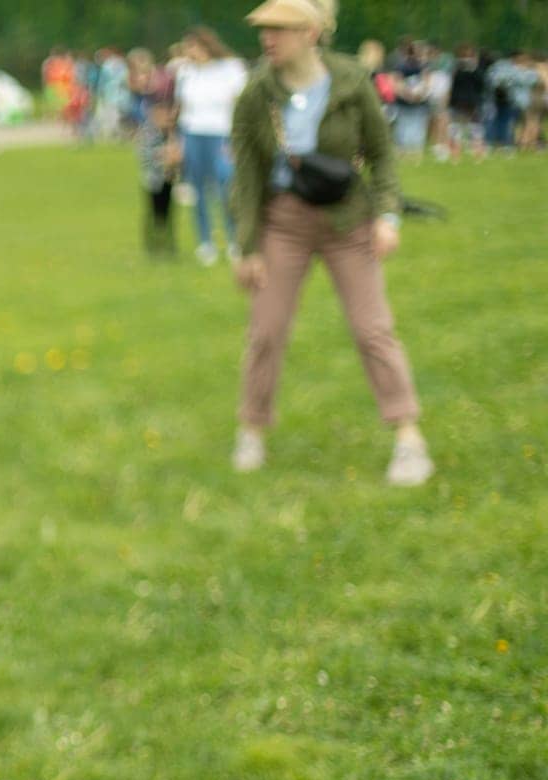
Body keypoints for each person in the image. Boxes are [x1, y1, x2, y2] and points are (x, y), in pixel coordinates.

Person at [229, 0, 433, 486]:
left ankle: (409, 440)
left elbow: (382, 155)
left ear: (311, 32)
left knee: (372, 329)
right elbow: (246, 176)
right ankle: (252, 431)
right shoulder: (256, 93)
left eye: (279, 28)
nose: (267, 38)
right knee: (266, 330)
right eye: (264, 29)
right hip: (284, 223)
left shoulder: (350, 81)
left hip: (349, 221)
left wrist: (387, 215)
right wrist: (248, 246)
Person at [175, 26, 250, 266]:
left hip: (221, 134)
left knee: (225, 187)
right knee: (198, 190)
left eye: (193, 47)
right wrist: (178, 140)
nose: (190, 53)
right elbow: (183, 109)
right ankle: (205, 242)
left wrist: (237, 139)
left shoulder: (230, 69)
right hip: (194, 133)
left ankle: (233, 240)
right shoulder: (186, 73)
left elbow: (241, 105)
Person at [139, 93, 183, 257]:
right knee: (155, 214)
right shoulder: (149, 132)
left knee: (168, 214)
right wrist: (166, 156)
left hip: (169, 180)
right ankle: (153, 245)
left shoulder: (172, 131)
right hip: (154, 181)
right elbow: (148, 157)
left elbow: (177, 155)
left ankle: (167, 245)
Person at [391, 40, 434, 154]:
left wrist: (419, 95)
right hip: (404, 104)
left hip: (419, 104)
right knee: (402, 128)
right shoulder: (401, 66)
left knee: (418, 130)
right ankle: (402, 150)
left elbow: (427, 83)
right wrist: (408, 95)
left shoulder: (424, 67)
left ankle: (415, 151)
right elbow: (397, 83)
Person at [447, 44, 488, 158]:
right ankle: (458, 152)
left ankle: (474, 151)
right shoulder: (464, 70)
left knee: (470, 127)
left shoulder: (459, 70)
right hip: (467, 102)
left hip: (466, 102)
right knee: (462, 127)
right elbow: (482, 85)